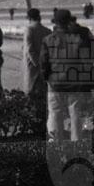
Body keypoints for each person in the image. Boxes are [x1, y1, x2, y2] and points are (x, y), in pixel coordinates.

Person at [40, 9, 90, 141]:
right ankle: (76, 143)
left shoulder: (48, 40)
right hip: (74, 82)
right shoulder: (78, 39)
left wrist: (47, 78)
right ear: (69, 22)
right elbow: (86, 62)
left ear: (55, 23)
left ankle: (55, 142)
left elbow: (43, 63)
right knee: (75, 113)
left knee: (54, 113)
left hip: (55, 82)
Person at [21, 8, 52, 96]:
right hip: (45, 65)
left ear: (29, 18)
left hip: (32, 66)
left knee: (31, 91)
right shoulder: (47, 31)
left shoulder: (29, 29)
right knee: (43, 92)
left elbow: (29, 49)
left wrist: (37, 64)